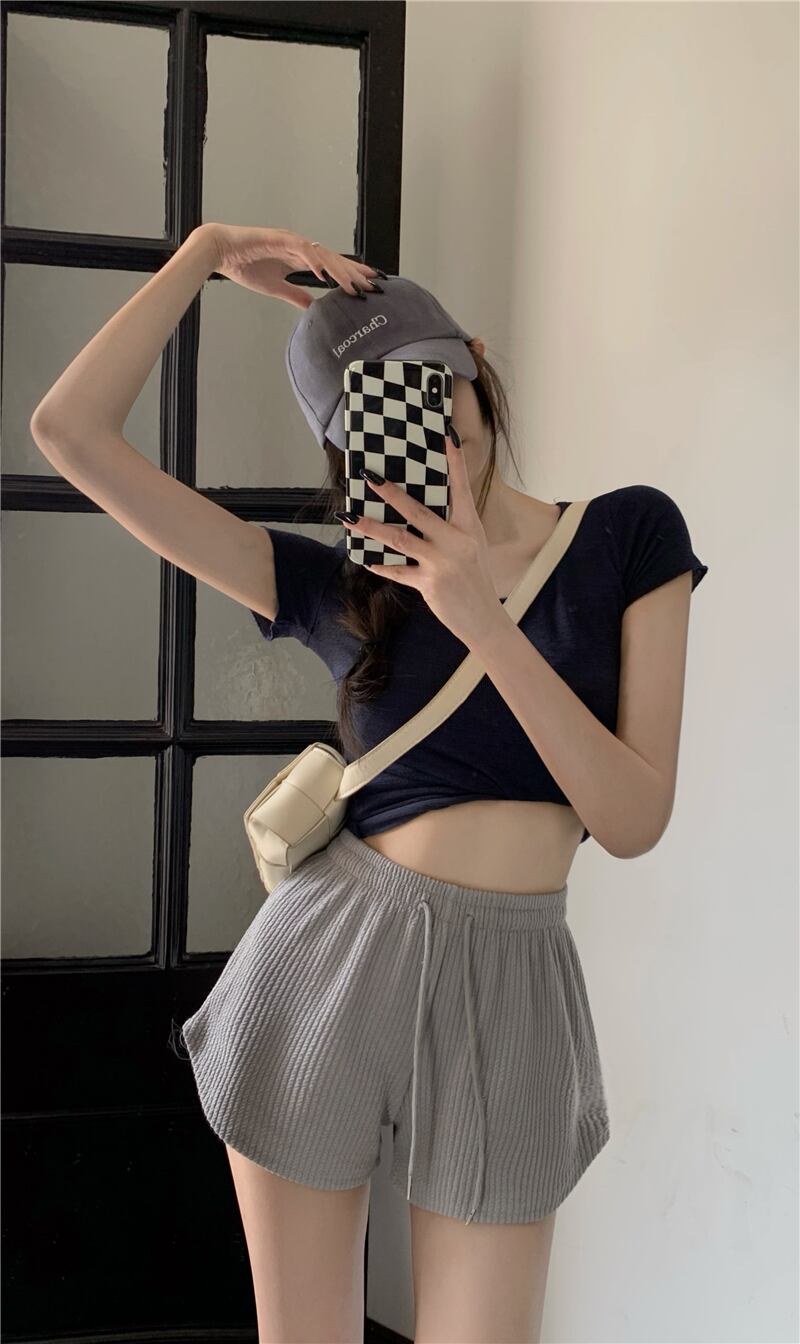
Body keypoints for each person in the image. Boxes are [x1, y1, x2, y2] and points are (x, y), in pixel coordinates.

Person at [30, 223, 709, 1344]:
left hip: (513, 983)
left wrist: (478, 614)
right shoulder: (333, 586)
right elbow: (69, 434)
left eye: (434, 389)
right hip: (333, 959)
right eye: (382, 418)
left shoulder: (628, 536)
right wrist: (203, 252)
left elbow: (631, 819)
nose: (429, 431)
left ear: (476, 364)